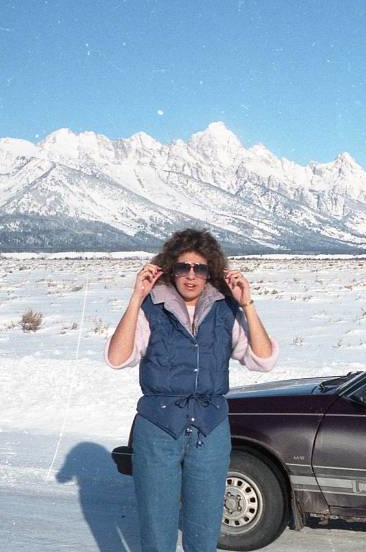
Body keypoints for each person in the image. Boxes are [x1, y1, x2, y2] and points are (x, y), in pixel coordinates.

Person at [105, 228, 277, 552]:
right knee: (157, 531)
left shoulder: (226, 311)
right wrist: (135, 299)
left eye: (200, 268)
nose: (191, 276)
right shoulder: (152, 308)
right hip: (158, 428)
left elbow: (263, 360)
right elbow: (117, 358)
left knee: (204, 531)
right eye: (184, 267)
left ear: (210, 271)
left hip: (210, 430)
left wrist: (247, 303)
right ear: (172, 269)